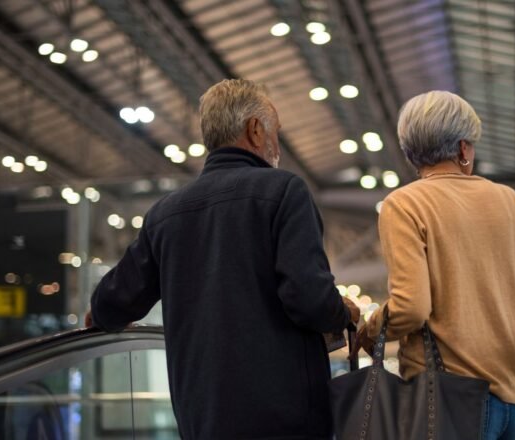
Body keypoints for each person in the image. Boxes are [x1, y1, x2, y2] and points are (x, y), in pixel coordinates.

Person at [89, 79, 360, 439]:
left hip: (201, 417)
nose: (277, 144)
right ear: (255, 130)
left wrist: (102, 315)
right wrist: (343, 312)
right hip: (285, 416)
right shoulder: (283, 192)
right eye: (275, 131)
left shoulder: (165, 214)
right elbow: (308, 298)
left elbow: (111, 303)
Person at [353, 91, 515, 440]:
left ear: (411, 152)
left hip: (448, 399)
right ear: (463, 149)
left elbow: (411, 307)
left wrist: (371, 329)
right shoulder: (509, 201)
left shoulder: (404, 204)